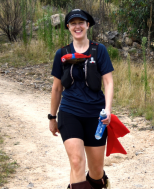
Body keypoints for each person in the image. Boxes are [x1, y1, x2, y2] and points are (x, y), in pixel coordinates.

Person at [49, 9, 113, 189]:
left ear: (88, 25)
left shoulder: (99, 50)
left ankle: (99, 182)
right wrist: (52, 117)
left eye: (81, 23)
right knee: (77, 162)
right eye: (73, 23)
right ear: (68, 27)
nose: (77, 26)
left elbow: (108, 82)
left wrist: (108, 109)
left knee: (96, 171)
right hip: (70, 113)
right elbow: (56, 88)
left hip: (96, 115)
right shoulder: (61, 53)